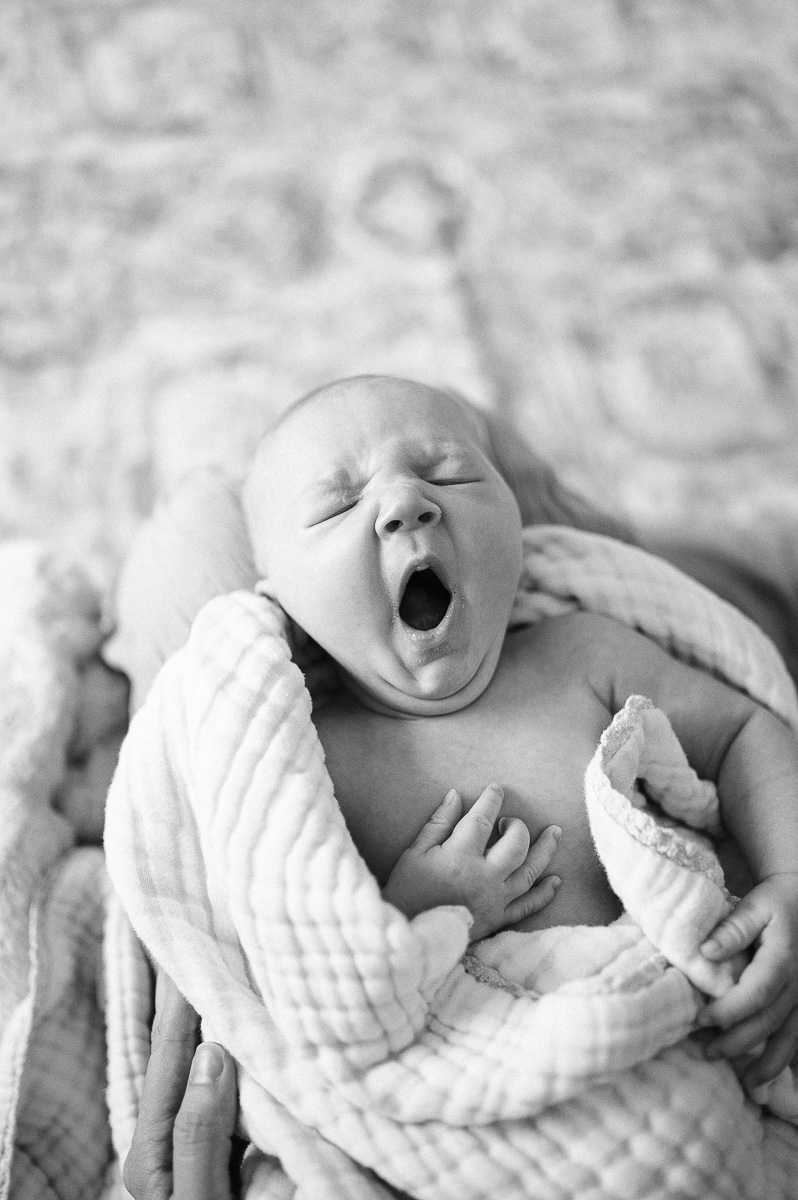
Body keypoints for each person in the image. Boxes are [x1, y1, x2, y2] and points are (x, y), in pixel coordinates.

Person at [126, 374, 798, 1196]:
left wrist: (788, 877)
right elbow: (304, 964)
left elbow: (742, 733)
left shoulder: (582, 653)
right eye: (338, 506)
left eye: (450, 473)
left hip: (673, 1040)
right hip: (465, 1105)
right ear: (283, 605)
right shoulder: (303, 757)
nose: (406, 502)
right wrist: (421, 911)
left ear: (520, 524)